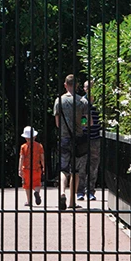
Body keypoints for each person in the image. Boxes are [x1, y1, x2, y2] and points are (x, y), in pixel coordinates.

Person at [53, 74, 90, 210]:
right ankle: (72, 202)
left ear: (65, 85)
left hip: (64, 138)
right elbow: (86, 122)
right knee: (75, 170)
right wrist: (81, 125)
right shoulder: (82, 102)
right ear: (77, 86)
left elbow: (57, 123)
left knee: (63, 168)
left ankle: (62, 192)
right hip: (78, 139)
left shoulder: (59, 101)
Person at [80, 80, 102, 201]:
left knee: (94, 166)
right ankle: (80, 191)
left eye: (92, 87)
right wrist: (85, 125)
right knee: (82, 165)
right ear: (84, 89)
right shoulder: (82, 102)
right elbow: (81, 119)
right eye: (88, 87)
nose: (90, 89)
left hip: (95, 137)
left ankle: (90, 191)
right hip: (84, 138)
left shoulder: (99, 102)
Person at [17, 126, 44, 207]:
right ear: (35, 136)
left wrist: (19, 169)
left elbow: (21, 158)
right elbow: (42, 157)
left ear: (25, 138)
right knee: (37, 183)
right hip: (36, 168)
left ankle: (29, 201)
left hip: (26, 169)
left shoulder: (23, 147)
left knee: (27, 186)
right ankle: (36, 192)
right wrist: (43, 167)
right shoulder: (39, 146)